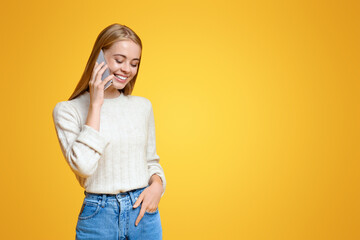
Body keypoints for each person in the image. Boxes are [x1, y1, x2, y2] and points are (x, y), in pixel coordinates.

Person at [52, 23, 166, 240]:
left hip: (143, 214)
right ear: (99, 59)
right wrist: (96, 105)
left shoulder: (142, 107)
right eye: (119, 60)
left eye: (134, 63)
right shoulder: (68, 111)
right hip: (99, 216)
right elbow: (84, 167)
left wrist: (157, 186)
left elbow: (151, 161)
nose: (127, 70)